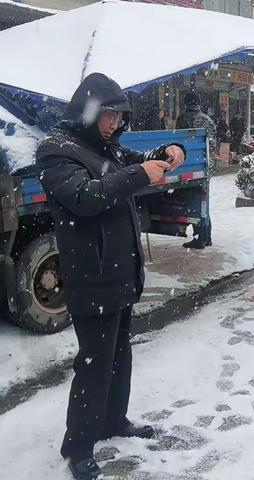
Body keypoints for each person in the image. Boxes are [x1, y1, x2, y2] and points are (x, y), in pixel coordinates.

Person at [35, 73, 185, 480]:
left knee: (120, 355)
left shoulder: (104, 148)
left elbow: (133, 167)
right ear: (89, 110)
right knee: (94, 363)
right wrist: (140, 175)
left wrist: (167, 153)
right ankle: (78, 445)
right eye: (109, 115)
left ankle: (113, 421)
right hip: (93, 275)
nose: (115, 124)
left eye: (121, 117)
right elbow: (86, 197)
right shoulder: (56, 152)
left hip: (119, 272)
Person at [175, 92, 216, 249]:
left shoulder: (183, 119)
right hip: (207, 165)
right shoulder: (208, 120)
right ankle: (207, 236)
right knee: (204, 201)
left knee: (195, 203)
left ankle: (200, 237)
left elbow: (178, 142)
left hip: (190, 166)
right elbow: (213, 144)